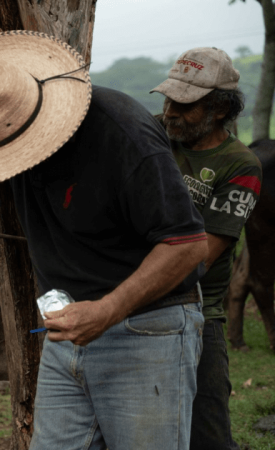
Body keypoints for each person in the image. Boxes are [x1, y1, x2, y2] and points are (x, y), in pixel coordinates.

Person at [0, 31, 208, 449]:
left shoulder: (123, 136)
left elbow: (188, 245)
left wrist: (106, 310)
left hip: (146, 330)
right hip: (65, 333)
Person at [151, 47, 261, 450]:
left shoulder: (240, 164)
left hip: (197, 309)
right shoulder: (154, 132)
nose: (170, 113)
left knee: (209, 435)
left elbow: (201, 257)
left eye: (185, 105)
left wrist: (117, 292)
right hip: (130, 299)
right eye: (168, 100)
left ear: (220, 109)